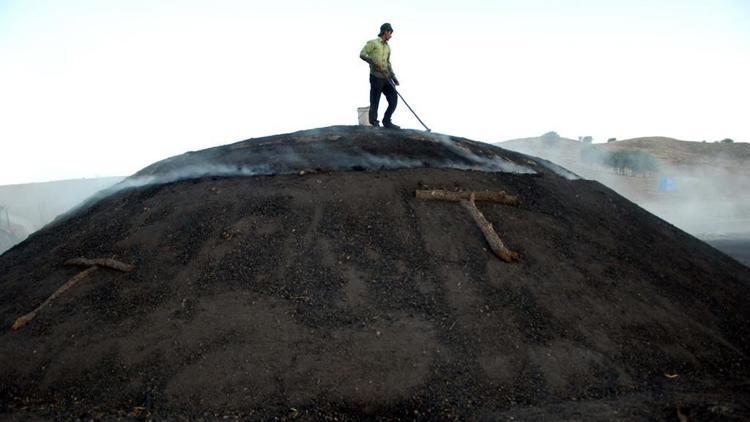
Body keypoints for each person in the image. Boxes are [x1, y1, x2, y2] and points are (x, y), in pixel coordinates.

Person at [359, 23, 400, 129]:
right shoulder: (373, 43)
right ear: (385, 31)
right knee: (375, 100)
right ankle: (374, 122)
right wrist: (372, 61)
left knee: (393, 100)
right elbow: (362, 54)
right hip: (376, 77)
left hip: (387, 77)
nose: (391, 35)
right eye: (390, 33)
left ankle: (387, 121)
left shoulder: (388, 47)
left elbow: (388, 62)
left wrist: (393, 76)